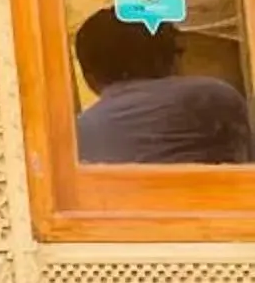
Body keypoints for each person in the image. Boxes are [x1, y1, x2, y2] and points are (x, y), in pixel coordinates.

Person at [74, 9, 255, 166]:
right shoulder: (216, 97)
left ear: (90, 76)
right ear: (168, 59)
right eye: (179, 52)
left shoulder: (80, 133)